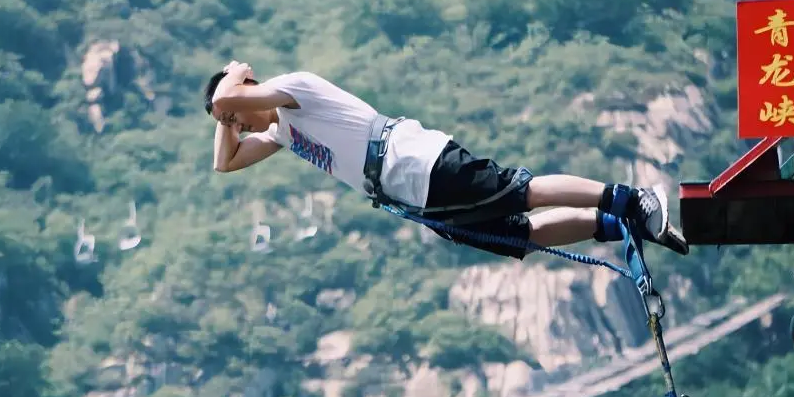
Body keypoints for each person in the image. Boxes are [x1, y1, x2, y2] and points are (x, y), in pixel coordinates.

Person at [204, 61, 689, 259]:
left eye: (232, 116)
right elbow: (223, 165)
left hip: (416, 162)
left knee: (522, 189)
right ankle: (618, 225)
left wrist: (233, 74)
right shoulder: (282, 134)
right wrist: (224, 115)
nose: (237, 126)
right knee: (520, 235)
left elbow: (230, 96)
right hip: (407, 194)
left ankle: (632, 199)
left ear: (246, 87)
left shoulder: (294, 89)